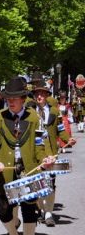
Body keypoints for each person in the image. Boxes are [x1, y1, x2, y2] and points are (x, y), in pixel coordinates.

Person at [0, 77, 55, 235]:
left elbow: (41, 144)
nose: (11, 101)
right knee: (4, 213)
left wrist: (46, 158)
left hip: (28, 171)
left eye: (15, 98)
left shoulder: (34, 118)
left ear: (23, 98)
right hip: (3, 173)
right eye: (8, 98)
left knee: (29, 211)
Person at [32, 85, 75, 226]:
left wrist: (67, 139)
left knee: (50, 182)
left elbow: (60, 129)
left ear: (46, 96)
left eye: (42, 94)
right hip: (34, 151)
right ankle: (41, 210)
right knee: (38, 183)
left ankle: (49, 213)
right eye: (37, 94)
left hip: (51, 151)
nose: (39, 97)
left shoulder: (55, 111)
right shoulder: (29, 112)